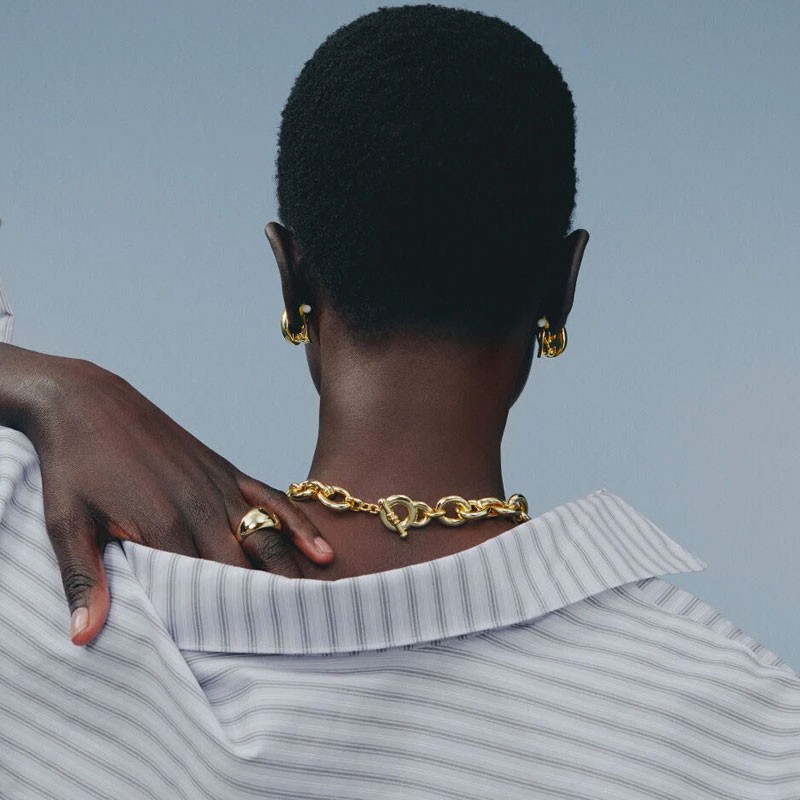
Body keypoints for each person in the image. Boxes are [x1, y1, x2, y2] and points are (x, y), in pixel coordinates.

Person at [1, 5, 799, 798]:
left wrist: (59, 386)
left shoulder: (45, 562)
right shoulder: (747, 735)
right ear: (562, 290)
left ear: (290, 277)